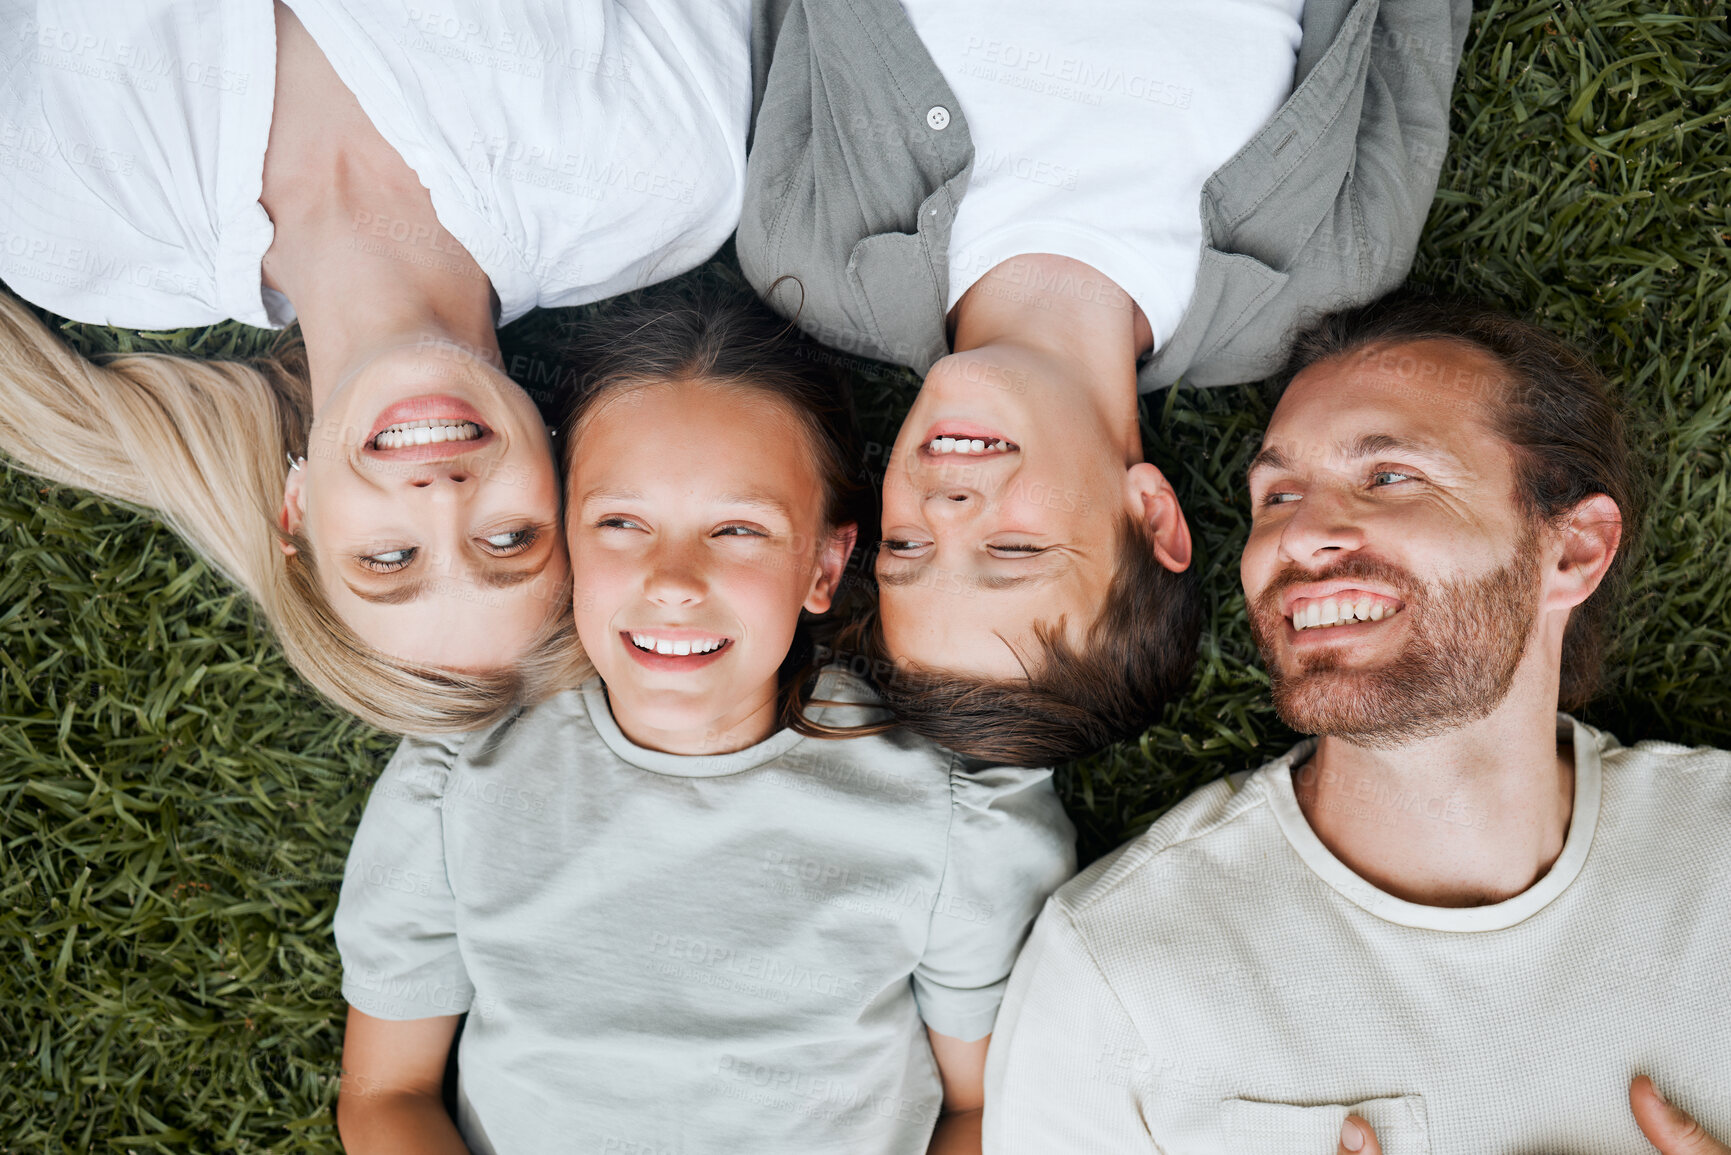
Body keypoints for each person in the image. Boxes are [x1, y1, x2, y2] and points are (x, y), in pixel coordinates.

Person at [331, 289, 1076, 1155]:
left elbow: (991, 1108)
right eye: (621, 523)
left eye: (737, 529)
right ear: (565, 536)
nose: (673, 579)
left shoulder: (949, 802)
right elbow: (387, 1089)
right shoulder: (459, 771)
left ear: (824, 566)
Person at [981, 295, 1731, 1152]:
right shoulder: (1118, 972)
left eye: (1388, 476)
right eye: (1277, 494)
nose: (1299, 536)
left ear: (1572, 551)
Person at [736, 0, 1472, 764]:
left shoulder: (808, 252)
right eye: (1014, 548)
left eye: (906, 544)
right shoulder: (1322, 272)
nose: (945, 508)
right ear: (1152, 516)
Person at [0, 0, 749, 730]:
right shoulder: (653, 182)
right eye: (509, 540)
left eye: (389, 557)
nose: (442, 497)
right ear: (564, 473)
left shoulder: (72, 225)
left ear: (295, 512)